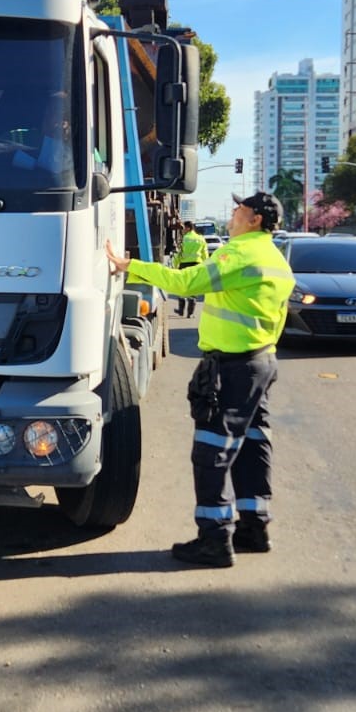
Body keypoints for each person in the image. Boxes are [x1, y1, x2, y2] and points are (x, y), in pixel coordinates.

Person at [105, 191, 294, 568]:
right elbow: (279, 316)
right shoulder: (275, 258)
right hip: (261, 362)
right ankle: (254, 528)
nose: (233, 213)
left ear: (255, 218)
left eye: (240, 209)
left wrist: (132, 265)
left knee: (212, 452)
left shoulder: (238, 252)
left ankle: (214, 540)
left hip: (232, 367)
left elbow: (188, 283)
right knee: (253, 444)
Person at [172, 219, 210, 316]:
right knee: (194, 287)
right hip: (197, 265)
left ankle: (181, 311)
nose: (182, 230)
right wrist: (206, 266)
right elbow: (205, 254)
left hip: (184, 265)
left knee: (183, 287)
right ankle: (190, 313)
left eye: (184, 228)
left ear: (188, 228)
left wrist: (175, 266)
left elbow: (179, 254)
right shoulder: (201, 239)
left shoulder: (184, 239)